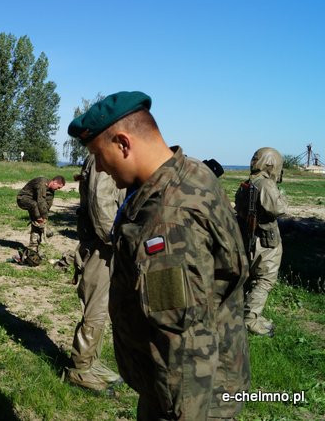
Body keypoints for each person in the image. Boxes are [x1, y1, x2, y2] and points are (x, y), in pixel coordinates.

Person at [67, 91, 250, 419]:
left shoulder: (165, 221)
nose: (102, 170)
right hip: (199, 382)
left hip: (188, 399)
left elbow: (182, 342)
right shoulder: (192, 173)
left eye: (100, 156)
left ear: (123, 143)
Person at [66, 154, 124, 392]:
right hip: (102, 247)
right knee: (95, 309)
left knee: (102, 307)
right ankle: (80, 369)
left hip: (106, 247)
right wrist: (116, 239)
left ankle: (91, 361)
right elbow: (100, 204)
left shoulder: (110, 155)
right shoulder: (103, 158)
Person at [235, 147, 287, 336]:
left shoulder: (248, 183)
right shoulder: (266, 184)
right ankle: (251, 320)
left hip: (249, 237)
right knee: (264, 280)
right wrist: (282, 196)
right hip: (266, 241)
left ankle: (245, 313)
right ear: (273, 165)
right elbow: (278, 209)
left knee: (250, 278)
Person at [16, 175, 66, 252]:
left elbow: (47, 204)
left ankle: (33, 247)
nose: (58, 189)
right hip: (23, 199)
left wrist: (45, 218)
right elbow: (41, 201)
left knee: (37, 222)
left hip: (34, 202)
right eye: (58, 187)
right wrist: (40, 217)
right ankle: (43, 229)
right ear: (55, 182)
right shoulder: (42, 183)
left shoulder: (51, 191)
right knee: (36, 209)